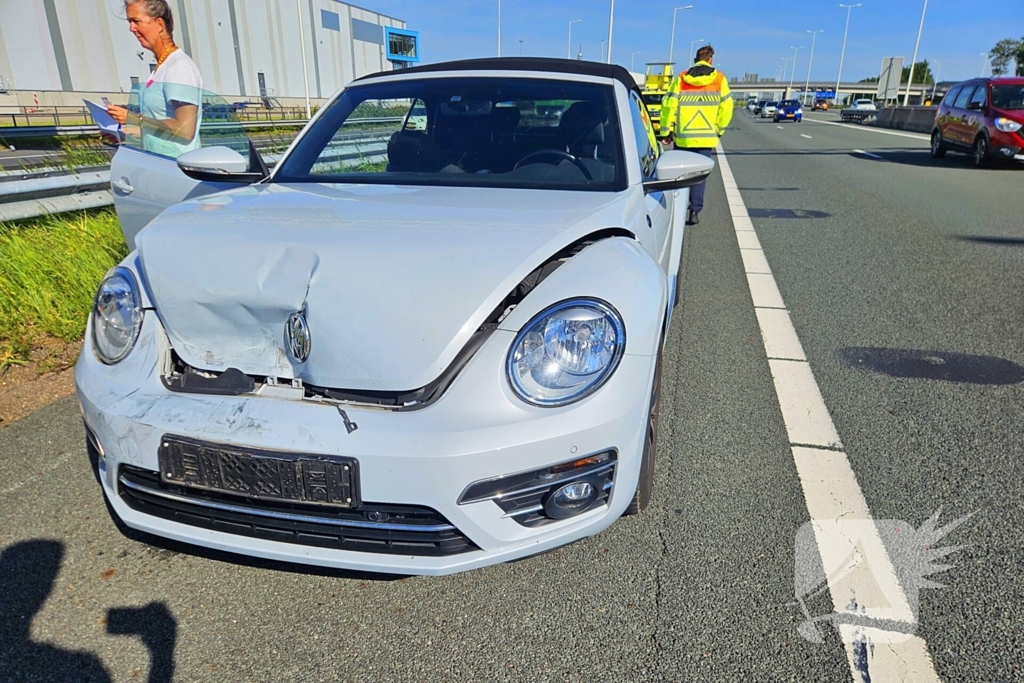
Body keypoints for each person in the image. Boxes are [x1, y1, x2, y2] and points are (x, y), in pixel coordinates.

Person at [107, 0, 202, 158]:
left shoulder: (179, 67)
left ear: (159, 24)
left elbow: (185, 130)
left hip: (178, 169)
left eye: (136, 21)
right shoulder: (160, 68)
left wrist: (134, 118)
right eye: (130, 22)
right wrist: (123, 135)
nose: (131, 28)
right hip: (159, 166)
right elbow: (157, 127)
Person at [659, 45, 733, 225]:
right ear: (711, 60)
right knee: (699, 177)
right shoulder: (719, 79)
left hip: (683, 137)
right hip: (705, 138)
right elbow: (727, 107)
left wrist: (666, 131)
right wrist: (719, 129)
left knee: (680, 175)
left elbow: (668, 105)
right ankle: (694, 211)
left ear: (695, 59)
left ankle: (675, 212)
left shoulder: (682, 78)